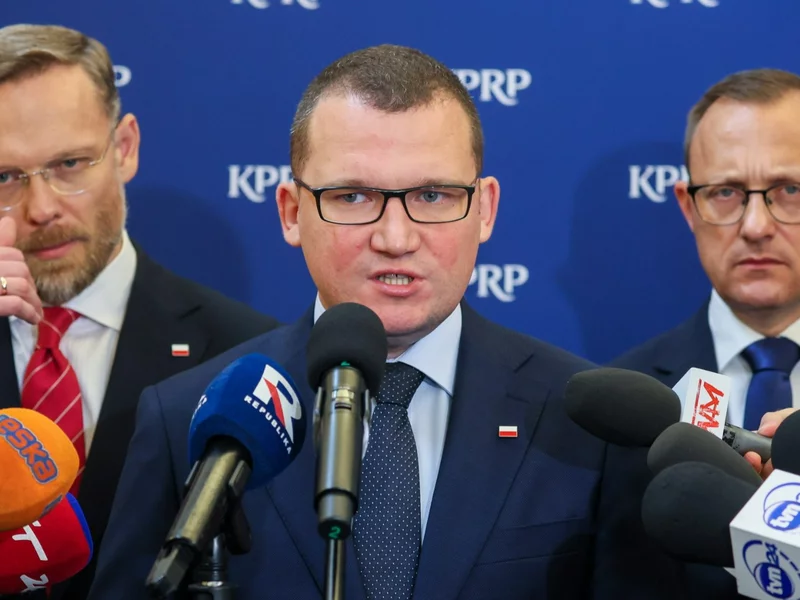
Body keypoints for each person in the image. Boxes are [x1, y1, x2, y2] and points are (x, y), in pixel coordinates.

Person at [90, 44, 687, 600]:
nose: (396, 238)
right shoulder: (189, 419)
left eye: (432, 196)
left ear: (485, 210)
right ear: (292, 212)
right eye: (353, 197)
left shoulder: (582, 424)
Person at [0, 24, 279, 600]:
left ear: (124, 148)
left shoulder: (243, 354)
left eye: (70, 163)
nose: (42, 208)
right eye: (5, 177)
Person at [613, 68, 800, 598]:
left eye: (790, 189)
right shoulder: (626, 404)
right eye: (726, 192)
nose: (756, 225)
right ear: (688, 205)